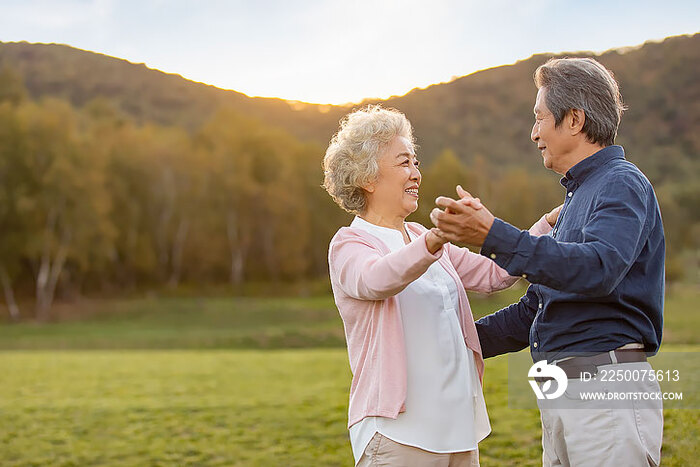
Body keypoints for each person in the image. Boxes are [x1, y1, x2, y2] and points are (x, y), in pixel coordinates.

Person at [430, 57, 665, 466]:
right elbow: (535, 310)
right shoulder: (575, 201)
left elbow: (598, 269)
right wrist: (451, 341)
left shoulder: (621, 183)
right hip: (561, 389)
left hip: (604, 385)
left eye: (539, 118)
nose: (533, 132)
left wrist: (493, 236)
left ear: (574, 120)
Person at [323, 105, 560, 466]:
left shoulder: (421, 237)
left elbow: (496, 275)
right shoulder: (351, 244)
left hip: (458, 431)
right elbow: (378, 279)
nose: (417, 173)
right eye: (404, 163)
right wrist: (434, 241)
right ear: (367, 177)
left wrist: (547, 222)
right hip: (397, 435)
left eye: (416, 163)